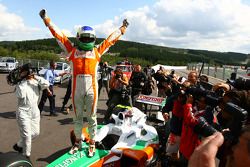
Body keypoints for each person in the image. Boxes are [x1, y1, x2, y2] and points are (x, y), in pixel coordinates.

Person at [39, 9, 128, 156]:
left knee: (92, 117)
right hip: (77, 88)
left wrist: (122, 29)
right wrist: (46, 20)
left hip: (92, 87)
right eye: (84, 38)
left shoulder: (97, 51)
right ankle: (78, 142)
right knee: (77, 117)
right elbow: (59, 35)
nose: (87, 41)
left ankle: (92, 142)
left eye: (89, 39)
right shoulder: (71, 50)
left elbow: (110, 40)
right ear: (79, 38)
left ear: (93, 39)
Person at [13, 63, 50, 158]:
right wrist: (23, 79)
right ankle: (26, 156)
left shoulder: (36, 81)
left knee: (35, 133)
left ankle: (19, 145)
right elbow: (20, 95)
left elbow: (46, 84)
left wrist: (35, 77)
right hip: (23, 112)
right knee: (27, 136)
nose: (30, 73)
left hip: (35, 111)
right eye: (28, 71)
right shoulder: (20, 84)